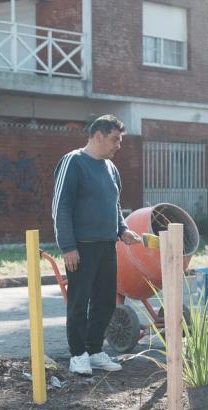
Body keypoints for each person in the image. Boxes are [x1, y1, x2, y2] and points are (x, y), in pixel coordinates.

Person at [52, 114, 141, 376]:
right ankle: (78, 355)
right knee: (79, 302)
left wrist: (122, 230)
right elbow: (61, 206)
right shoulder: (73, 161)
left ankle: (94, 350)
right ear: (98, 136)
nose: (118, 145)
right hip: (80, 247)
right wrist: (67, 246)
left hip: (107, 246)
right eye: (114, 139)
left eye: (120, 140)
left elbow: (114, 205)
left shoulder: (111, 168)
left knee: (105, 302)